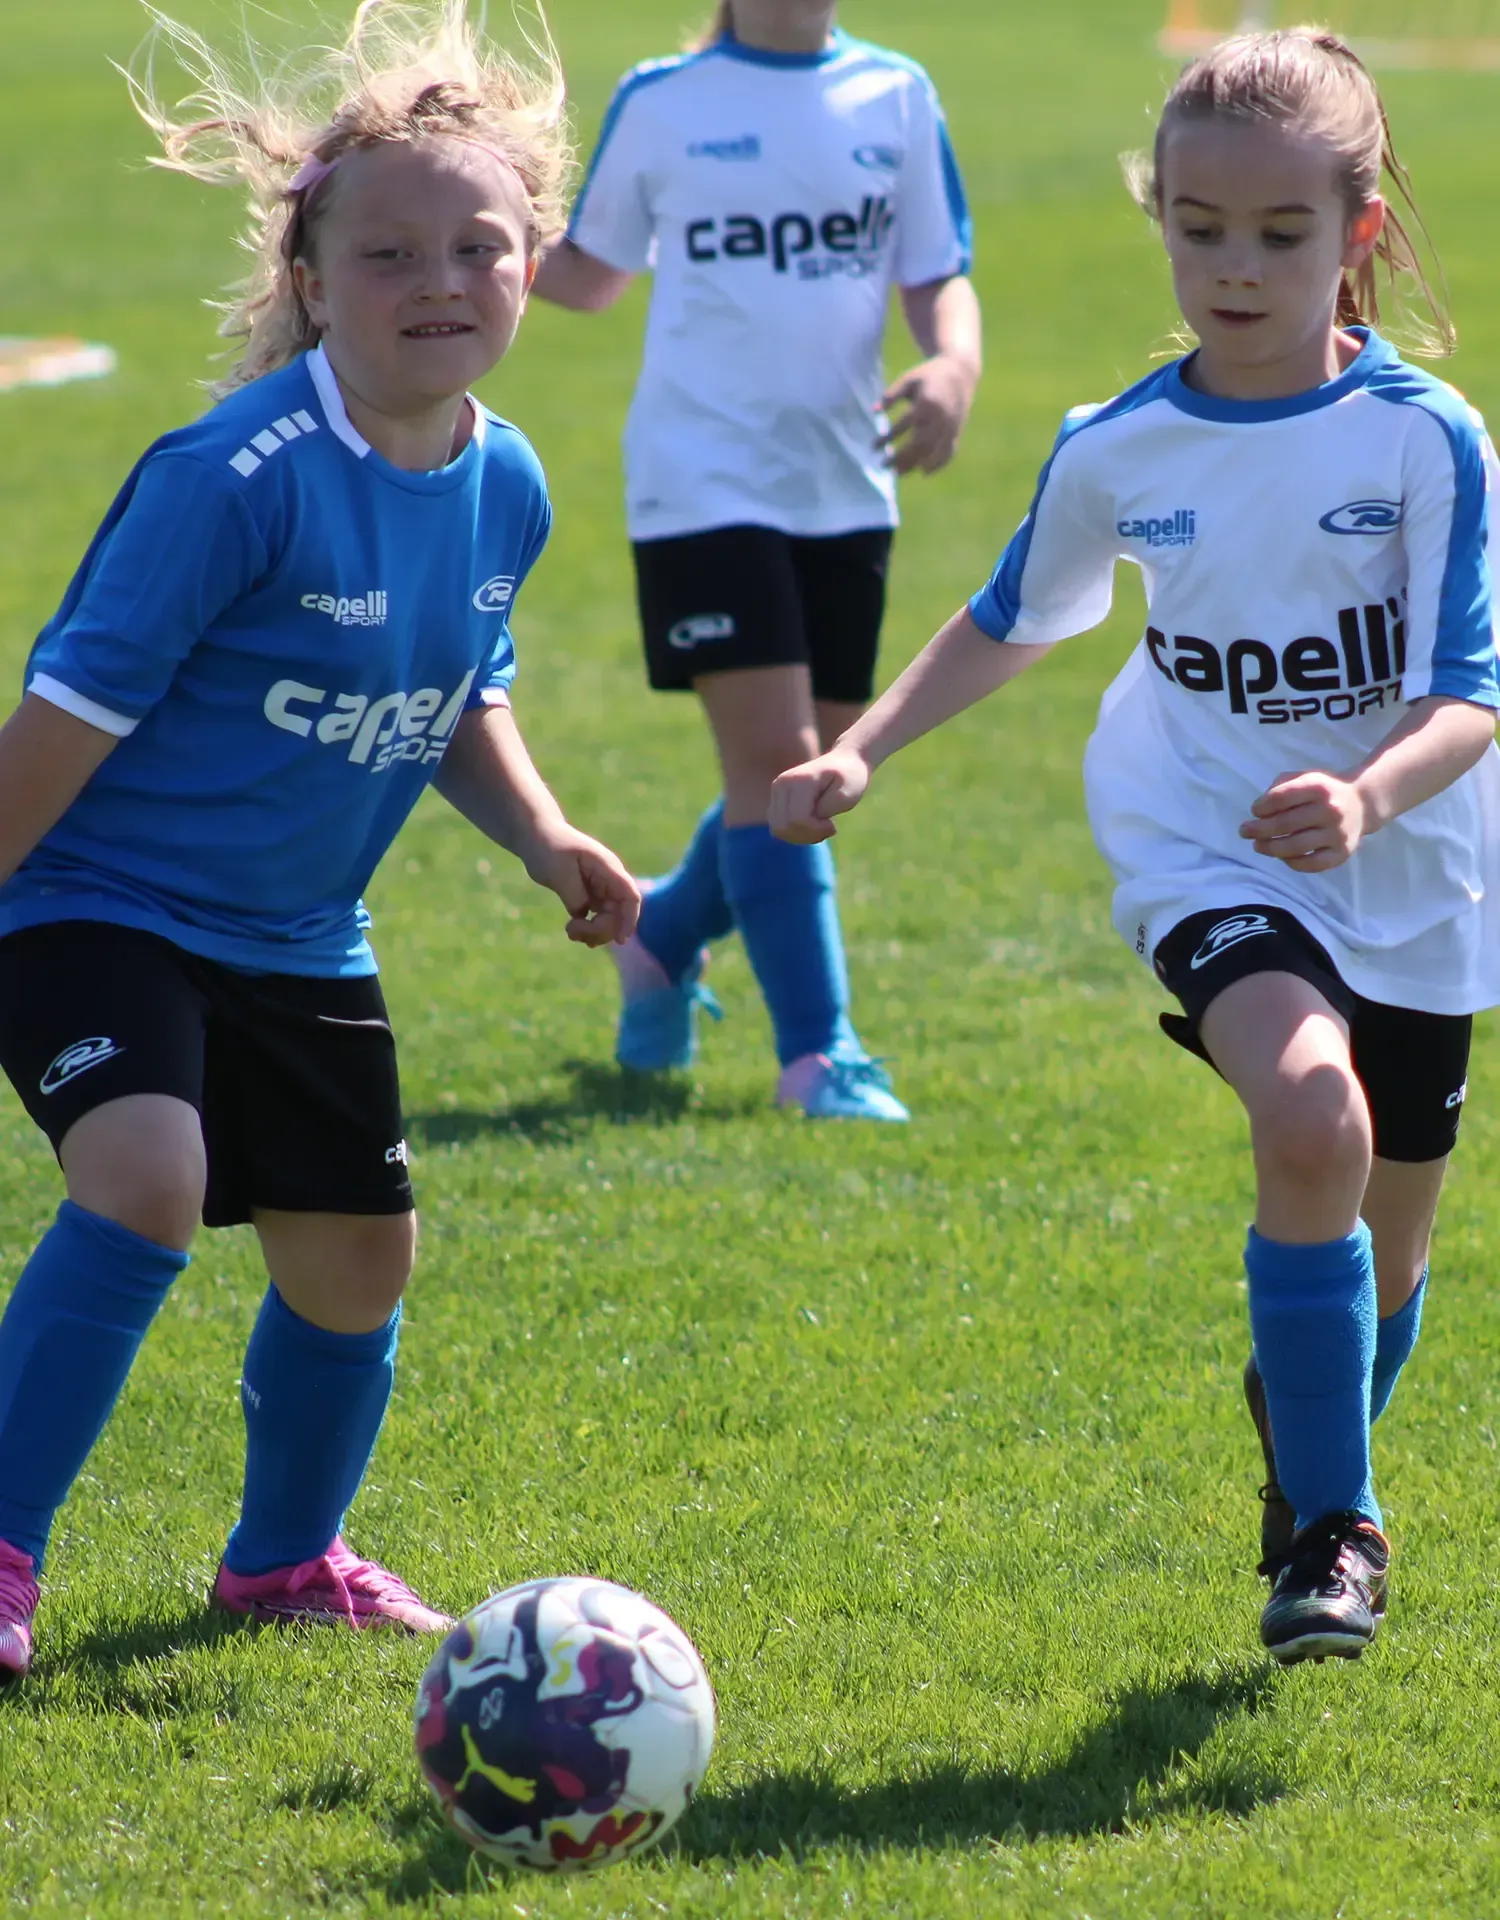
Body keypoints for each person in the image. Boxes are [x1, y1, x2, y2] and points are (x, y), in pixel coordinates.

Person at [770, 28, 1499, 1663]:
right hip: (1205, 836)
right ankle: (1334, 1534)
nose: (1233, 267)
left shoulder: (1427, 440)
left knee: (1387, 1241)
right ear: (1158, 214)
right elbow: (1013, 617)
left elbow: (1470, 697)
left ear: (1357, 231)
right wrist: (860, 750)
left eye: (1280, 234)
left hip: (1414, 856)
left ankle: (1306, 1419)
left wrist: (1372, 795)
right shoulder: (1122, 445)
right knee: (1311, 1119)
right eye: (1199, 226)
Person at [0, 0, 639, 1684]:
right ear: (311, 275)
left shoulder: (508, 483)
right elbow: (63, 723)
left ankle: (283, 1563)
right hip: (98, 897)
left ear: (530, 265)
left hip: (299, 934)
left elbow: (455, 688)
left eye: (477, 246)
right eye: (389, 255)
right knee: (146, 1183)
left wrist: (544, 832)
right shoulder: (233, 476)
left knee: (360, 1263)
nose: (438, 280)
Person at [533, 0, 981, 1119]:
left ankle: (664, 937)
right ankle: (821, 1059)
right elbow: (586, 275)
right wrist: (453, 212)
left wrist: (954, 364)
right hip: (698, 483)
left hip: (844, 483)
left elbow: (936, 270)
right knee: (781, 762)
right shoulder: (665, 100)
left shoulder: (898, 92)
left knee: (813, 776)